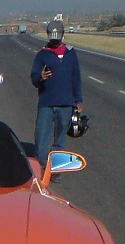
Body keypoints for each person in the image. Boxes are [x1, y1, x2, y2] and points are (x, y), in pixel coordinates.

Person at [30, 20, 83, 183]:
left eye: (57, 36)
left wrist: (78, 100)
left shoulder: (71, 53)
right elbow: (33, 77)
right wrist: (41, 78)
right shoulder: (42, 54)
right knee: (42, 138)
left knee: (59, 140)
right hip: (46, 102)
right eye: (52, 37)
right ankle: (43, 167)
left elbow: (76, 77)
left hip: (66, 103)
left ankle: (55, 171)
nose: (54, 40)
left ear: (62, 35)